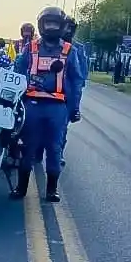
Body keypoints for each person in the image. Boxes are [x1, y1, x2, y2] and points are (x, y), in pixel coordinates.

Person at [11, 6, 83, 203]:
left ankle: (51, 190)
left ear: (61, 27)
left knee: (54, 147)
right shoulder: (31, 48)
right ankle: (21, 187)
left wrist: (75, 107)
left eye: (55, 24)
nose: (51, 27)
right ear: (41, 25)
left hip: (57, 107)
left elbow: (77, 81)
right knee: (28, 146)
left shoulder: (69, 51)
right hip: (31, 105)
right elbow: (17, 72)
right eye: (48, 23)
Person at [59, 15, 88, 166]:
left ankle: (58, 154)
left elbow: (81, 77)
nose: (68, 30)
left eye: (72, 28)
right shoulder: (47, 44)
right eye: (66, 26)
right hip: (45, 91)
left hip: (67, 95)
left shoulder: (78, 49)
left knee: (62, 128)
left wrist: (75, 104)